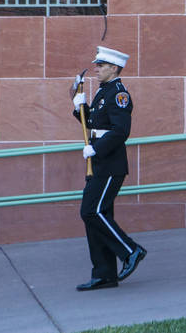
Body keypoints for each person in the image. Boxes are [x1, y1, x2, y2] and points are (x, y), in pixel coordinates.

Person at [71, 46, 147, 291]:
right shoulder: (104, 92)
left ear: (114, 68)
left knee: (91, 212)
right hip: (99, 162)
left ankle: (130, 250)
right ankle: (104, 273)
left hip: (109, 163)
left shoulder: (118, 94)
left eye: (101, 65)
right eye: (96, 65)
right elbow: (94, 125)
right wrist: (78, 108)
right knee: (96, 215)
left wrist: (97, 149)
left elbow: (120, 131)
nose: (96, 69)